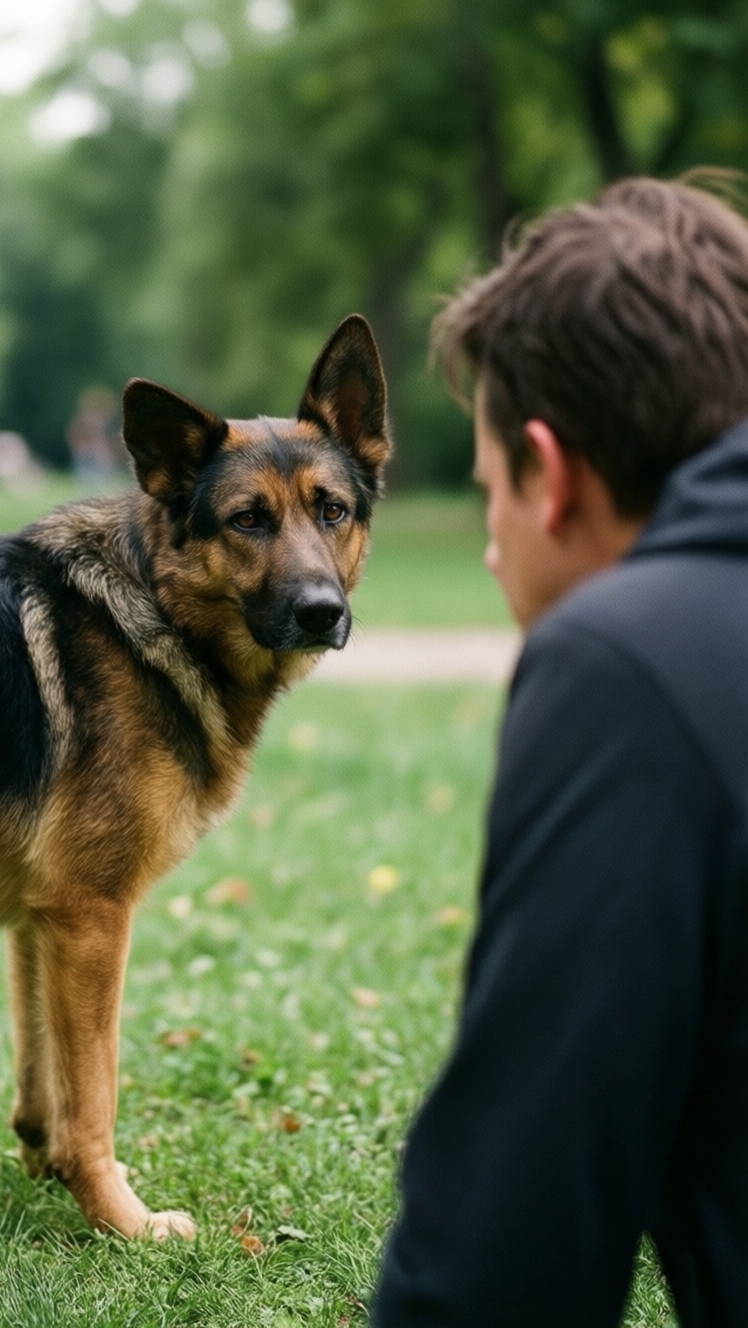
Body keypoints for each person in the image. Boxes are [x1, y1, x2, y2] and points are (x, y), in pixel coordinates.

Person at [372, 176, 748, 1326]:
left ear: (549, 471)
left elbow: (500, 1259)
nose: (489, 548)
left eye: (488, 493)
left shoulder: (630, 661)